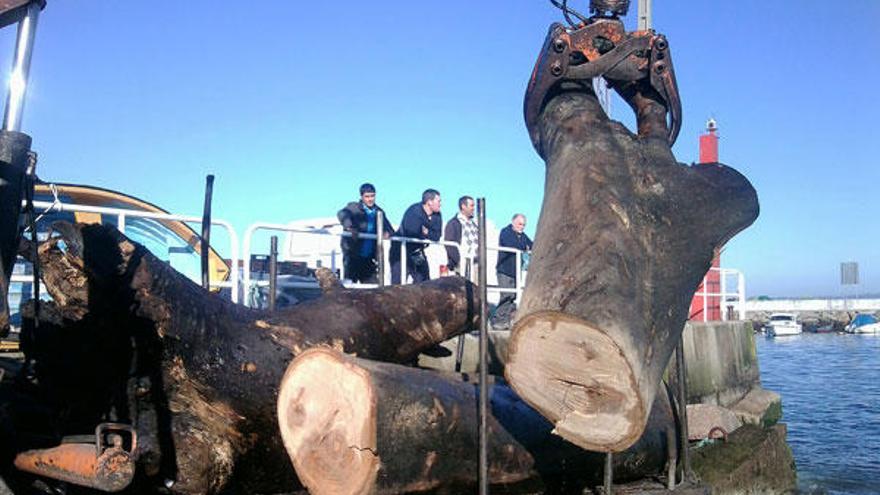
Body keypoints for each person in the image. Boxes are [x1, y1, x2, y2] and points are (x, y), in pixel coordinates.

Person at [337, 183, 393, 283]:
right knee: (350, 288)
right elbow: (342, 213)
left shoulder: (379, 212)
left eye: (372, 196)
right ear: (362, 197)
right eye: (367, 196)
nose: (370, 199)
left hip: (369, 258)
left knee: (372, 290)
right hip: (353, 255)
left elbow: (390, 229)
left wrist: (387, 233)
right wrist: (349, 227)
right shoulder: (353, 207)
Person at [391, 189, 442, 284]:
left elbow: (437, 236)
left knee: (424, 279)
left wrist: (427, 232)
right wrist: (426, 234)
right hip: (400, 250)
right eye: (438, 201)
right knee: (397, 282)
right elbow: (412, 233)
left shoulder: (437, 215)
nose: (440, 204)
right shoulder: (414, 211)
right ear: (429, 202)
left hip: (416, 251)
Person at [494, 213, 533, 327]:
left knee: (513, 296)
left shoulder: (523, 236)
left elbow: (531, 245)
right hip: (505, 269)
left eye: (524, 225)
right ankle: (497, 320)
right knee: (506, 294)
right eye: (520, 224)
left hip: (515, 270)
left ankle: (506, 320)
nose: (522, 227)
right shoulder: (506, 232)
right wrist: (523, 247)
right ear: (513, 222)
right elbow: (512, 245)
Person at [444, 196, 478, 280]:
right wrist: (458, 261)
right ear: (463, 206)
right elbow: (449, 244)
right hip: (463, 263)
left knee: (476, 289)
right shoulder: (453, 223)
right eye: (472, 205)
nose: (474, 208)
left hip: (476, 263)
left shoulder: (474, 224)